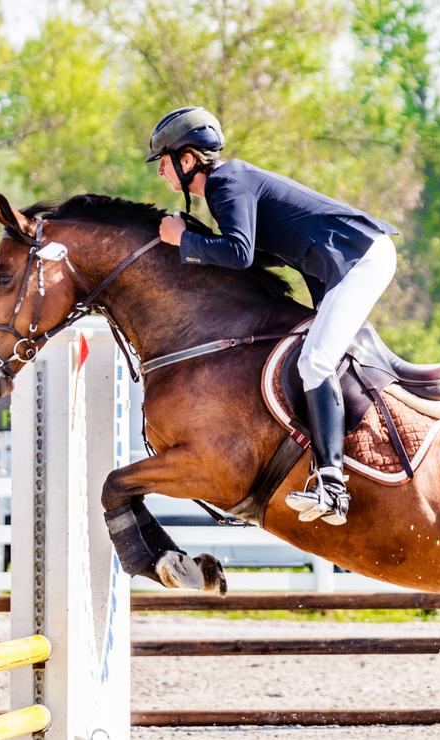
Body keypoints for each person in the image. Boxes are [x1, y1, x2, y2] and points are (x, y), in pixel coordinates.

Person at [147, 106, 399, 526]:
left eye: (164, 162)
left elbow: (241, 255)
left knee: (315, 362)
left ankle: (333, 487)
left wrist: (183, 239)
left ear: (188, 159)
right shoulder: (228, 185)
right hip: (349, 261)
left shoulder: (226, 182)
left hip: (361, 258)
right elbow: (252, 254)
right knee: (316, 356)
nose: (161, 173)